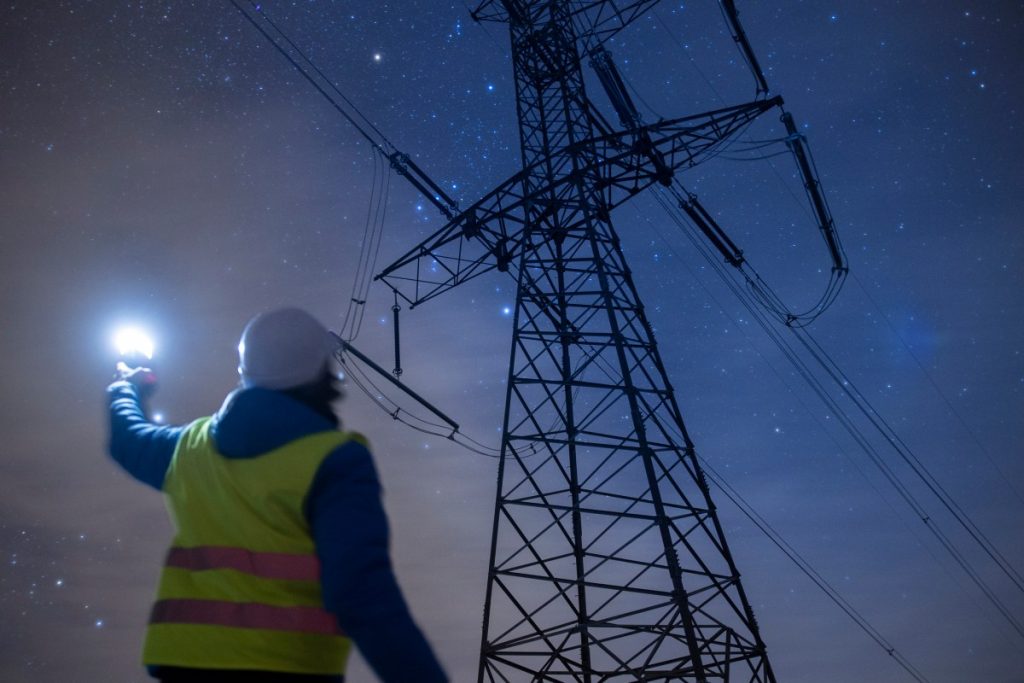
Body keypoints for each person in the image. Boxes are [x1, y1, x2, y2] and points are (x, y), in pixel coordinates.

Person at [107, 307, 447, 682]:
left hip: (185, 667)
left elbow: (128, 439)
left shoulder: (190, 448)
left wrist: (126, 388)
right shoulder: (335, 460)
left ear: (245, 372)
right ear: (324, 374)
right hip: (288, 669)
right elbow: (361, 593)